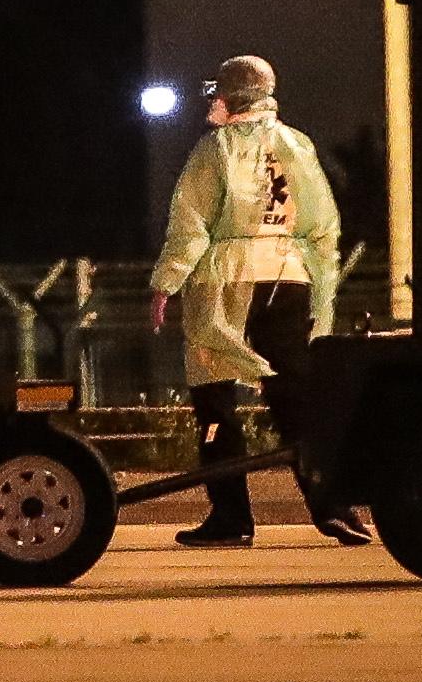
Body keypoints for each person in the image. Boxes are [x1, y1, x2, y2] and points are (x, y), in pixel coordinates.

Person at [145, 56, 370, 546]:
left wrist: (166, 283)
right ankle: (332, 504)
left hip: (226, 280)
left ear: (232, 98)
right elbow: (322, 227)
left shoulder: (215, 149)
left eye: (217, 93)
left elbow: (191, 224)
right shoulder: (298, 144)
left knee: (215, 398)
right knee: (293, 397)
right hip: (289, 276)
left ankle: (231, 517)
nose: (211, 102)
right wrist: (321, 296)